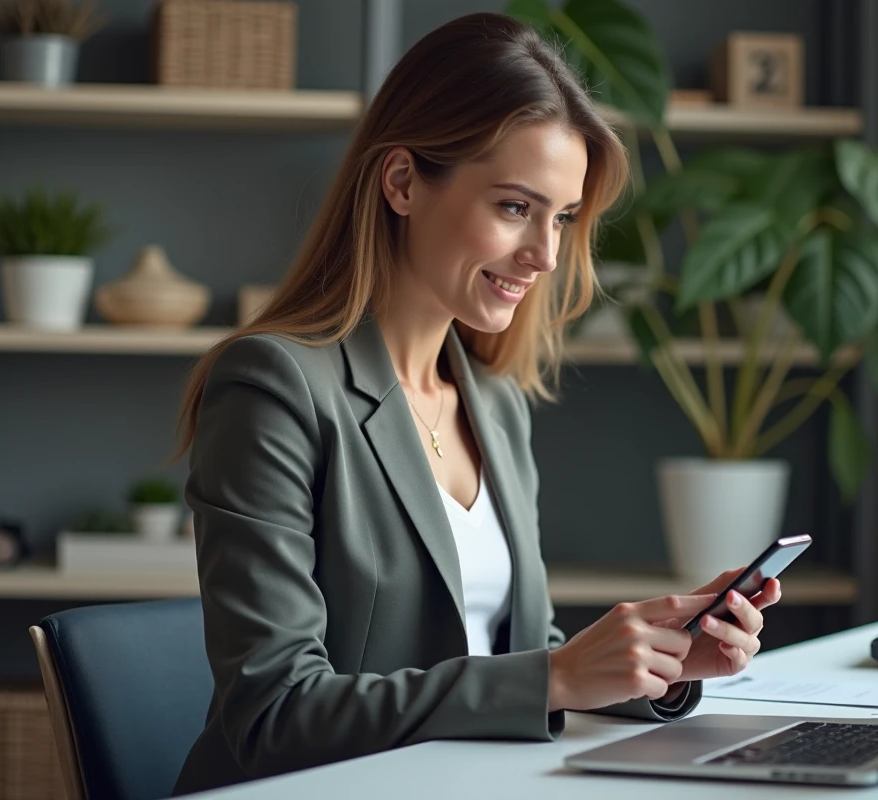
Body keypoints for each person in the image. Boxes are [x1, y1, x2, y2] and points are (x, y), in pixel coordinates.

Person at [169, 12, 782, 796]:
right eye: (515, 207)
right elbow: (275, 715)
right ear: (401, 183)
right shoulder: (272, 387)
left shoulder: (494, 403)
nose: (546, 255)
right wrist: (556, 675)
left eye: (562, 217)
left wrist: (654, 668)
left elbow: (520, 652)